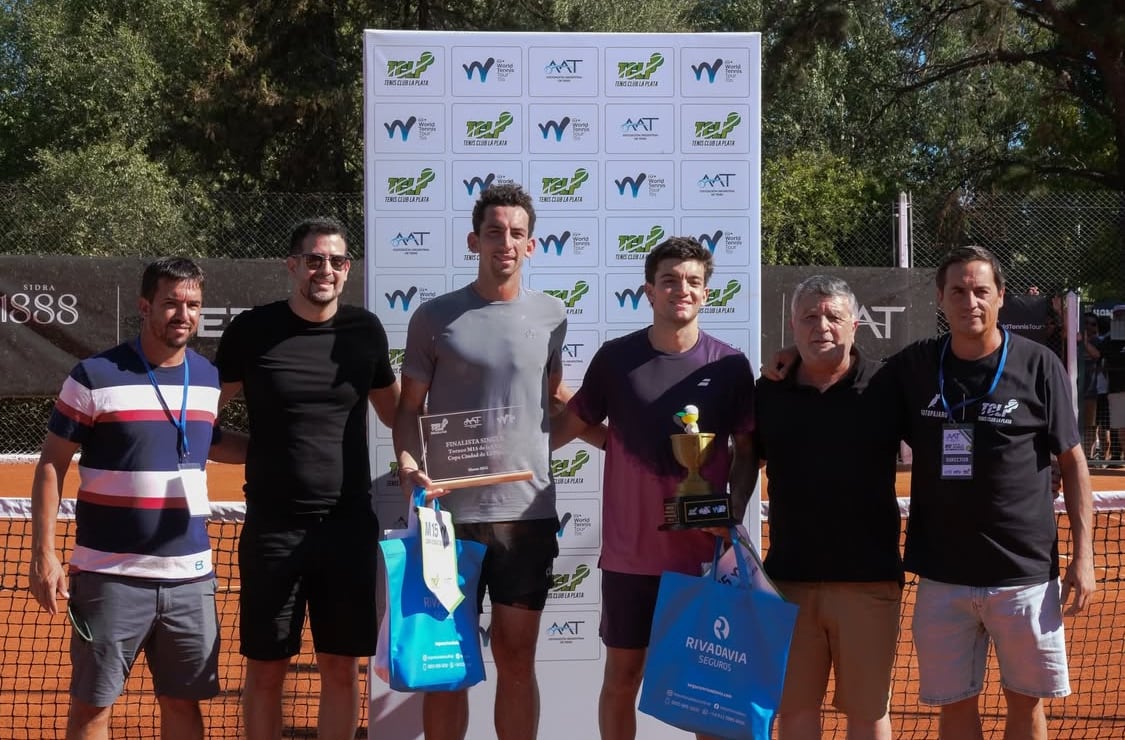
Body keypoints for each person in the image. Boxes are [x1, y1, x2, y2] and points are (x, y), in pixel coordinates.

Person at [769, 246, 1094, 738]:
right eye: (957, 291)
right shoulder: (915, 366)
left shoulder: (1038, 365)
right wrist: (797, 352)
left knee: (1026, 707)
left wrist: (1083, 556)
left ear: (1001, 296)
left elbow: (1072, 462)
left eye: (981, 290)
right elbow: (842, 363)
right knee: (954, 708)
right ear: (941, 298)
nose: (970, 301)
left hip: (1024, 573)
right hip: (942, 576)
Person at [551, 236, 756, 740]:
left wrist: (731, 511)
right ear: (648, 290)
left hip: (702, 558)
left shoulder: (730, 366)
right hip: (630, 558)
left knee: (707, 689)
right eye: (669, 280)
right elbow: (572, 426)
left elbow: (748, 450)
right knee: (622, 681)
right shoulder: (615, 359)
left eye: (692, 281)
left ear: (706, 293)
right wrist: (499, 454)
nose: (681, 289)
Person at [28, 257, 242, 740]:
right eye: (171, 303)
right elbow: (51, 464)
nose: (183, 315)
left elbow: (206, 440)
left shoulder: (207, 377)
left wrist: (285, 450)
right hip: (110, 579)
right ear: (145, 307)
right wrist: (44, 554)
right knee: (92, 709)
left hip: (190, 580)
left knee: (184, 706)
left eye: (193, 305)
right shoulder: (94, 375)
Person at [394, 183, 571, 740]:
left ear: (532, 245)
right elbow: (408, 410)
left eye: (517, 233)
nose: (505, 243)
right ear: (474, 241)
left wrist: (624, 439)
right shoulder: (432, 317)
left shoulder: (553, 315)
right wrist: (408, 466)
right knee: (446, 667)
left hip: (527, 518)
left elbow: (553, 401)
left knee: (517, 660)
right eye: (494, 232)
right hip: (448, 521)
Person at [214, 218, 400, 740]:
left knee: (341, 669)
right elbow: (201, 418)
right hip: (273, 530)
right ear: (292, 265)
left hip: (348, 528)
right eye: (314, 260)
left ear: (347, 270)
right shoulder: (252, 331)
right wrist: (255, 452)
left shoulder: (365, 331)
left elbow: (397, 415)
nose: (325, 270)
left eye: (336, 261)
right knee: (266, 670)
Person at [754, 275, 902, 740]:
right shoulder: (768, 391)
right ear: (792, 326)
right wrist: (726, 519)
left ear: (855, 324)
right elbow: (744, 460)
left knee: (868, 712)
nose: (822, 326)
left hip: (869, 581)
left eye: (834, 316)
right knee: (795, 710)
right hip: (789, 581)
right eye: (810, 317)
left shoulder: (888, 385)